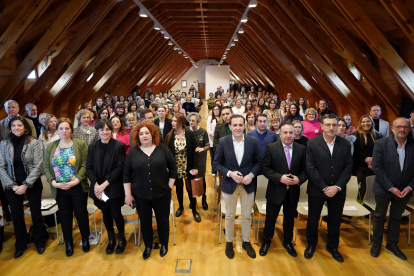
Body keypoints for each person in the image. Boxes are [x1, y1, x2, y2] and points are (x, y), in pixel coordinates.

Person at [305, 114, 352, 262]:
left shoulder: (345, 144)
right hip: (317, 189)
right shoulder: (312, 143)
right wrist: (325, 187)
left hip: (338, 190)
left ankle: (332, 247)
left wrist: (337, 187)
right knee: (313, 219)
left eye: (334, 125)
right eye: (328, 125)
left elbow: (348, 167)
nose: (331, 128)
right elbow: (310, 168)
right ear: (322, 126)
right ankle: (311, 245)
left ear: (338, 126)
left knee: (335, 220)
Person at [213, 114, 261, 259]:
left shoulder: (253, 141)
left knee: (247, 216)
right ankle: (229, 242)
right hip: (229, 184)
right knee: (229, 216)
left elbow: (258, 163)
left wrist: (251, 175)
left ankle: (246, 241)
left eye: (240, 125)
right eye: (235, 125)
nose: (238, 128)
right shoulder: (223, 141)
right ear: (230, 127)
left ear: (244, 125)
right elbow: (216, 164)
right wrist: (229, 173)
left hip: (248, 185)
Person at [43, 118, 90, 257]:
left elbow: (85, 164)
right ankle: (68, 242)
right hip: (59, 188)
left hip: (77, 186)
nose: (64, 131)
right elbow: (46, 167)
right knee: (64, 216)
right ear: (57, 130)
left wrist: (76, 180)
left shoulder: (80, 144)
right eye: (61, 128)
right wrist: (53, 182)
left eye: (67, 128)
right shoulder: (51, 146)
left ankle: (85, 238)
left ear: (71, 130)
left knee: (81, 214)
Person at [260, 123, 307, 257]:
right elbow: (265, 168)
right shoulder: (271, 148)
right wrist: (280, 178)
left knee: (289, 219)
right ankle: (266, 241)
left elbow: (305, 170)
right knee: (270, 218)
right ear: (279, 134)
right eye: (285, 133)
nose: (288, 135)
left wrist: (299, 179)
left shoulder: (302, 149)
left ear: (295, 133)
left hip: (293, 192)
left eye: (291, 133)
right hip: (275, 189)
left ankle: (288, 242)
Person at [0, 116, 45, 258]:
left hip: (32, 183)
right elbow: (1, 167)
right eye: (14, 126)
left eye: (19, 125)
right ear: (10, 128)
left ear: (25, 127)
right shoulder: (4, 144)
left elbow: (38, 165)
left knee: (36, 214)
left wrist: (25, 185)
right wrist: (13, 186)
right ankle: (20, 244)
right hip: (13, 186)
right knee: (17, 216)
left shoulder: (33, 143)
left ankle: (39, 242)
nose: (16, 128)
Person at [370, 117, 414, 260]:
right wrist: (390, 187)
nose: (402, 129)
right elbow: (377, 168)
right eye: (399, 126)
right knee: (379, 216)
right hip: (384, 188)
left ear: (410, 129)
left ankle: (392, 243)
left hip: (404, 191)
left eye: (405, 127)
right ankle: (377, 243)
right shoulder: (381, 144)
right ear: (392, 128)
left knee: (396, 217)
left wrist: (410, 186)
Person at [86, 119, 127, 255]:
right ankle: (111, 239)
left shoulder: (118, 146)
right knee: (106, 213)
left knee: (116, 213)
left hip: (113, 187)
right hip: (99, 188)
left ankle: (121, 238)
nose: (105, 132)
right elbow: (89, 168)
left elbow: (120, 168)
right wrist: (97, 185)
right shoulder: (92, 147)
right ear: (97, 131)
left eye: (108, 129)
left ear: (111, 130)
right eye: (102, 129)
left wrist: (104, 184)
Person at [165, 113, 199, 222]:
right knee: (179, 188)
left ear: (181, 122)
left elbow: (194, 151)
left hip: (188, 165)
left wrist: (195, 167)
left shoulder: (189, 134)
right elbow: (167, 152)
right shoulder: (169, 135)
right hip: (176, 166)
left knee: (190, 189)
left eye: (176, 121)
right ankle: (181, 207)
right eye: (173, 121)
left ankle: (194, 209)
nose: (173, 123)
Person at [247, 114, 278, 197]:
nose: (262, 123)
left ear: (267, 122)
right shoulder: (250, 134)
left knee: (270, 186)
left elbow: (276, 150)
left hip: (269, 165)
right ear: (256, 122)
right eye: (260, 121)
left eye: (264, 121)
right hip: (254, 165)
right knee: (252, 188)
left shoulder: (272, 135)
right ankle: (252, 204)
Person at [353, 115, 382, 201]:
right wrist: (367, 159)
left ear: (371, 122)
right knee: (353, 187)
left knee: (366, 189)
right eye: (363, 122)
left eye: (368, 121)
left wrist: (373, 159)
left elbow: (380, 150)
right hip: (358, 166)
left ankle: (365, 207)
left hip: (372, 167)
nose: (366, 123)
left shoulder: (378, 135)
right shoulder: (355, 135)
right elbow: (355, 150)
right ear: (360, 123)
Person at [187, 113, 209, 210]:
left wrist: (202, 149)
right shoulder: (186, 130)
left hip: (200, 159)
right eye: (190, 120)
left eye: (193, 121)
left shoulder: (203, 132)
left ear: (198, 121)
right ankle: (193, 200)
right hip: (190, 160)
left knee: (201, 179)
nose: (191, 122)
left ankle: (204, 199)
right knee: (191, 179)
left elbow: (208, 145)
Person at [207, 104, 221, 176]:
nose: (215, 111)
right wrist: (213, 135)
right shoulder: (210, 118)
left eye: (217, 109)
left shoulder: (221, 118)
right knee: (213, 156)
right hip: (212, 140)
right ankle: (214, 170)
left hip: (221, 140)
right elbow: (208, 129)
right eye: (214, 109)